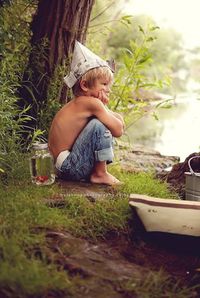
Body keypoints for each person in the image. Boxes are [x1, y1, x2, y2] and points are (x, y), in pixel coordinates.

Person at [48, 41, 124, 185]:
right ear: (84, 85)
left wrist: (105, 109)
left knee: (101, 120)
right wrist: (102, 107)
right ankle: (100, 174)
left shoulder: (81, 104)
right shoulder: (91, 103)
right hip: (69, 167)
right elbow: (119, 130)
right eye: (104, 84)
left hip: (63, 167)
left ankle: (98, 172)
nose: (108, 90)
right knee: (99, 125)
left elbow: (119, 122)